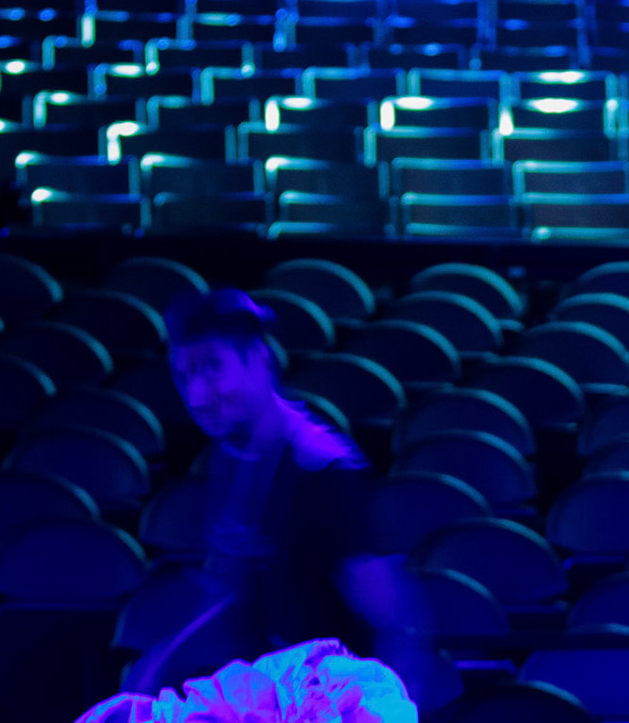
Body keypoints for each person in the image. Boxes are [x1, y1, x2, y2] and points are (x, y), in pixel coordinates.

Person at [133, 289, 430, 702]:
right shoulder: (230, 456)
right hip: (278, 706)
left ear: (260, 360)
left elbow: (389, 615)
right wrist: (165, 661)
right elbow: (234, 588)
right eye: (184, 376)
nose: (197, 395)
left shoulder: (322, 466)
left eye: (213, 368)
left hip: (332, 711)